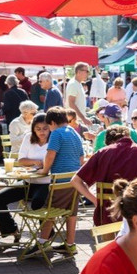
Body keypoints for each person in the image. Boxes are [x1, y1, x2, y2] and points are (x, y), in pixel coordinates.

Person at [32, 106, 85, 253]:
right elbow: (81, 159)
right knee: (71, 213)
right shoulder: (74, 132)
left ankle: (43, 242)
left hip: (60, 180)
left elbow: (50, 154)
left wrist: (44, 170)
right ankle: (70, 244)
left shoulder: (56, 133)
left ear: (53, 123)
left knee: (50, 210)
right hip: (75, 179)